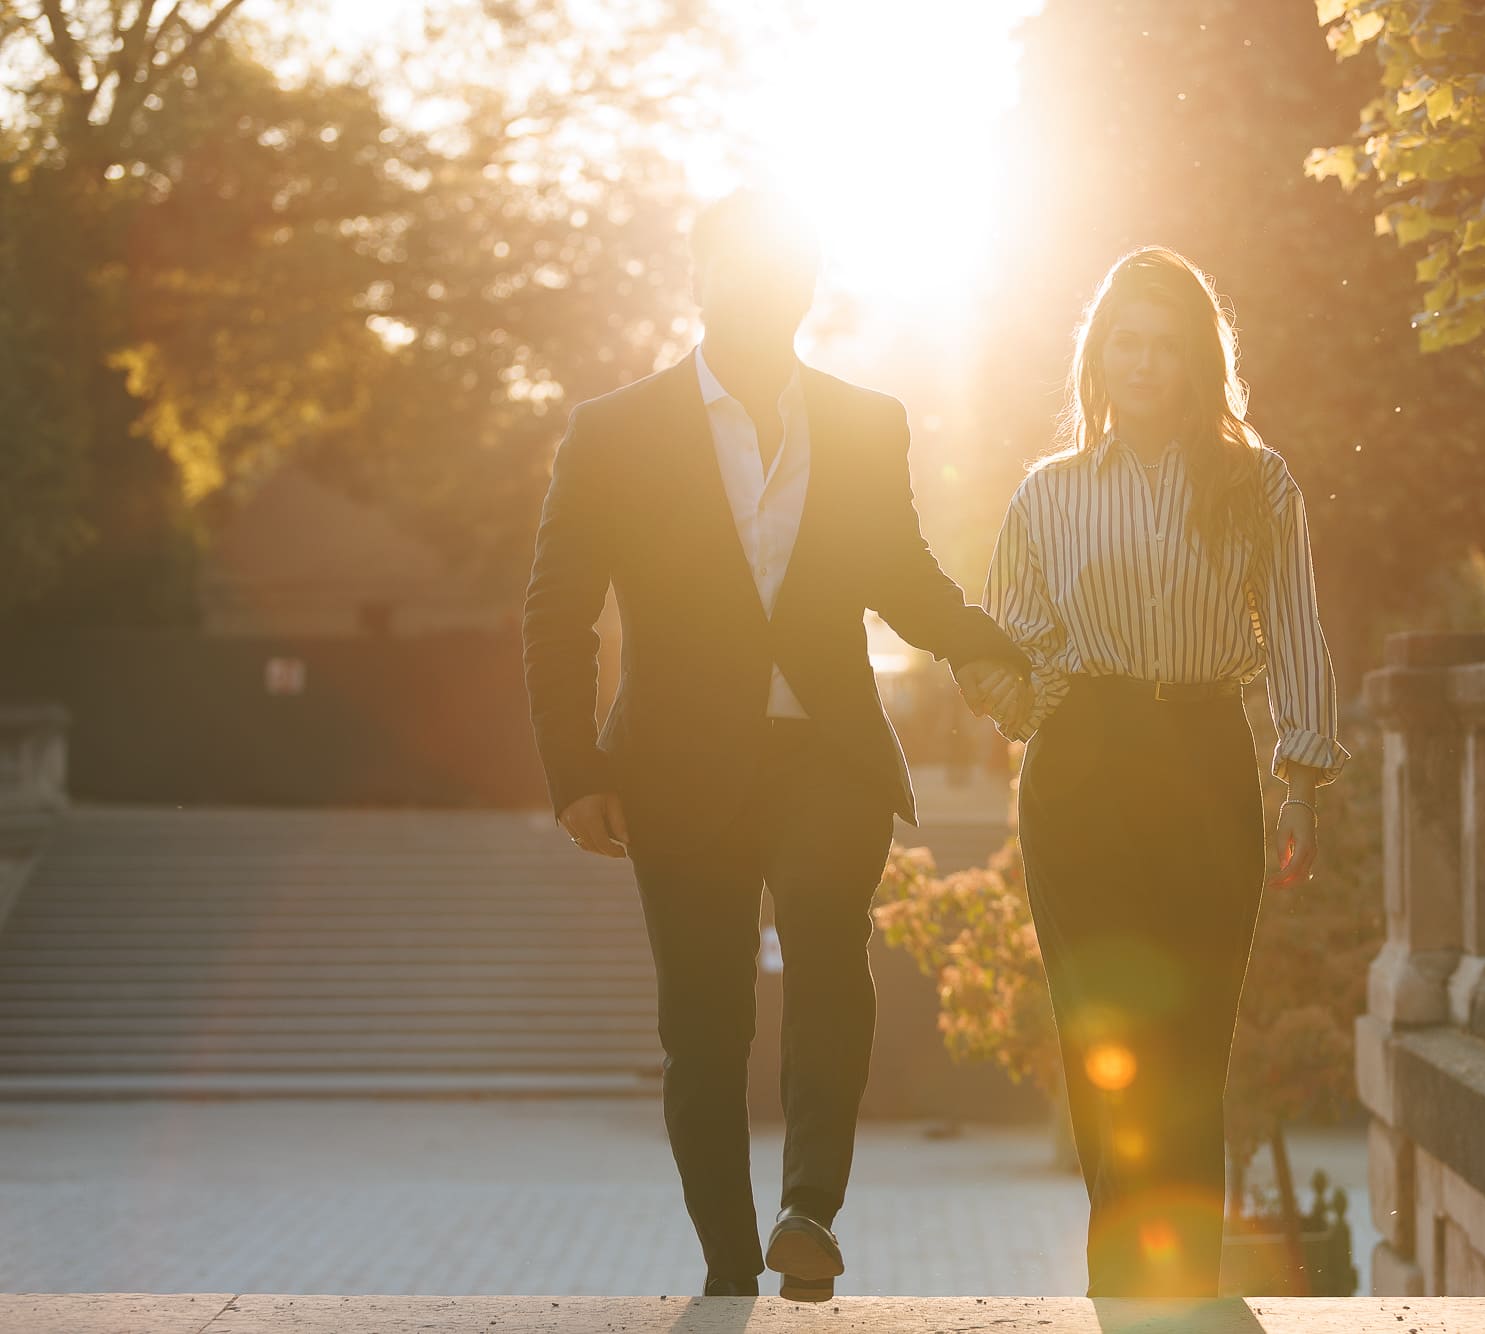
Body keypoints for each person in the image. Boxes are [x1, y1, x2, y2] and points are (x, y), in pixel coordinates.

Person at [521, 188, 1028, 1302]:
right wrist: (576, 771)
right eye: (738, 268)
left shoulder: (862, 420)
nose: (762, 289)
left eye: (783, 269)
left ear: (807, 286)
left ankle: (810, 1212)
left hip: (823, 752)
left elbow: (900, 572)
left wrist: (987, 650)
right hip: (674, 766)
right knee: (702, 1021)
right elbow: (557, 609)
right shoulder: (613, 430)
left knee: (825, 938)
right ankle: (725, 1266)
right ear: (699, 277)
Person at [972, 246, 1344, 1298]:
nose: (1142, 364)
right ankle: (1120, 1282)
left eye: (1162, 346)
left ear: (1194, 361)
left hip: (1200, 760)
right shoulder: (1043, 496)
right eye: (1123, 344)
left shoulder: (1255, 481)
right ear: (1097, 358)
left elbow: (1299, 637)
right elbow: (1019, 658)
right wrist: (981, 665)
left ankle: (1181, 1287)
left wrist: (1300, 780)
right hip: (1080, 767)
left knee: (1188, 1040)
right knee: (1103, 1039)